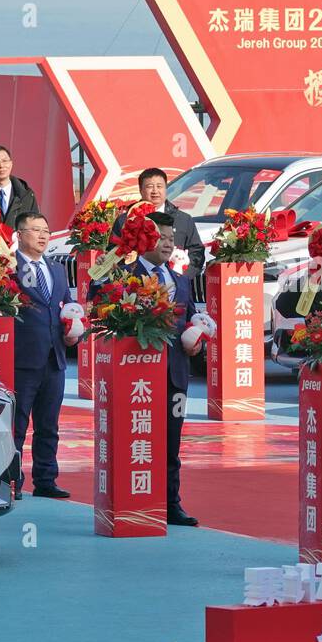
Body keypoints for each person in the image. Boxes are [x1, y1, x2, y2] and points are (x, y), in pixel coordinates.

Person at [126, 211, 201, 526]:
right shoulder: (126, 275)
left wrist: (197, 342)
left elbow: (191, 318)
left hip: (175, 375)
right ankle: (135, 501)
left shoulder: (180, 279)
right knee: (138, 439)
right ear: (144, 239)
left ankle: (172, 503)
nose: (168, 244)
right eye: (161, 237)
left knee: (172, 442)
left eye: (172, 238)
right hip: (138, 376)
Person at [12, 211, 80, 499]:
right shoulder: (7, 267)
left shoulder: (56, 269)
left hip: (55, 356)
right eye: (35, 230)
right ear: (19, 234)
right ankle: (11, 480)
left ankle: (46, 479)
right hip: (21, 359)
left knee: (49, 425)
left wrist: (73, 328)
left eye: (46, 231)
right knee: (16, 426)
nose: (41, 236)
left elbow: (67, 304)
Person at [114, 168, 205, 278]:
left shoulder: (183, 220)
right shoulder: (125, 220)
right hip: (136, 285)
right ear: (140, 190)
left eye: (159, 186)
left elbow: (197, 252)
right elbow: (113, 253)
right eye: (149, 186)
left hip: (175, 284)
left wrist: (184, 276)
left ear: (166, 189)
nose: (155, 191)